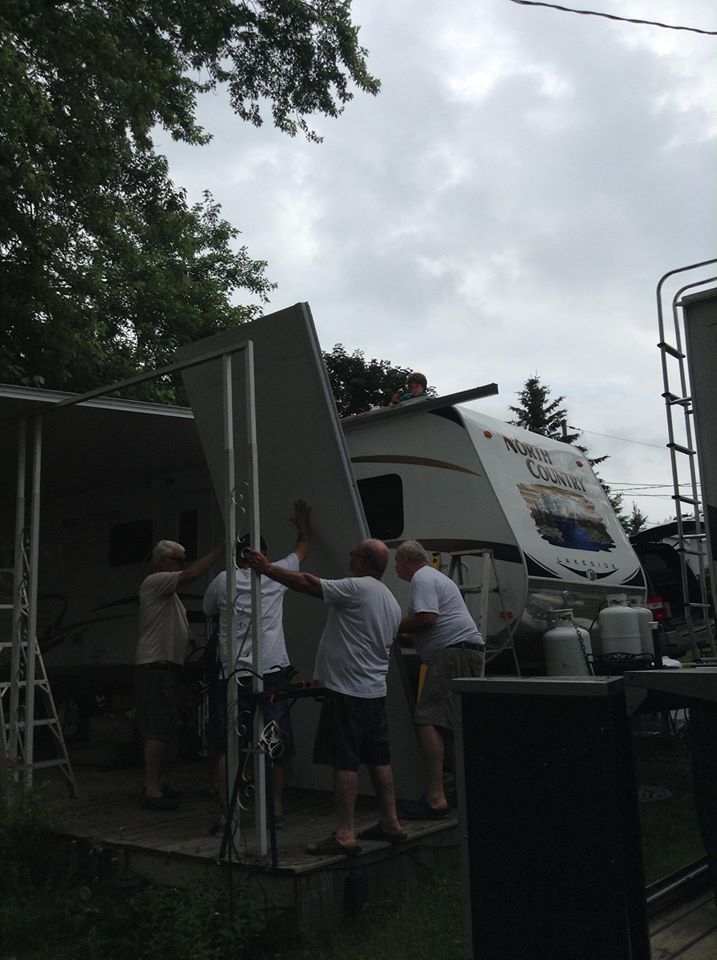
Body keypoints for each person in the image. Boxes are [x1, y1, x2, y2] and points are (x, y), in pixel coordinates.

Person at [247, 538, 406, 855]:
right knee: (378, 758)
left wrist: (268, 569)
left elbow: (308, 583)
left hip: (348, 691)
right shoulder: (390, 599)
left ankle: (345, 834)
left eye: (352, 553)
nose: (350, 558)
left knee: (344, 760)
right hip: (375, 692)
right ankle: (391, 823)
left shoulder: (357, 587)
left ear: (361, 561)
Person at [202, 500, 311, 832]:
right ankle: (275, 809)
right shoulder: (277, 575)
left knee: (228, 744)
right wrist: (302, 523)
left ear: (237, 557)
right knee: (274, 740)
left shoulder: (223, 581)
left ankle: (227, 814)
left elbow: (208, 610)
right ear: (264, 555)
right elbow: (302, 549)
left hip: (234, 673)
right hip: (272, 671)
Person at [394, 539, 484, 819]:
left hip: (452, 655)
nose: (396, 567)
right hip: (463, 653)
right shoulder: (434, 577)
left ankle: (435, 799)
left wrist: (389, 624)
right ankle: (459, 792)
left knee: (427, 720)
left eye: (396, 562)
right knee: (450, 727)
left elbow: (428, 618)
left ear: (406, 559)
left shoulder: (422, 577)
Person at [136, 538, 223, 811]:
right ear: (163, 562)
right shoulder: (155, 581)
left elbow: (167, 621)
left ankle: (157, 783)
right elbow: (192, 574)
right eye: (179, 560)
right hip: (156, 666)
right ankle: (152, 789)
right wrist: (221, 550)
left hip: (166, 666)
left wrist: (189, 635)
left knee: (165, 727)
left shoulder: (169, 595)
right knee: (156, 728)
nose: (183, 565)